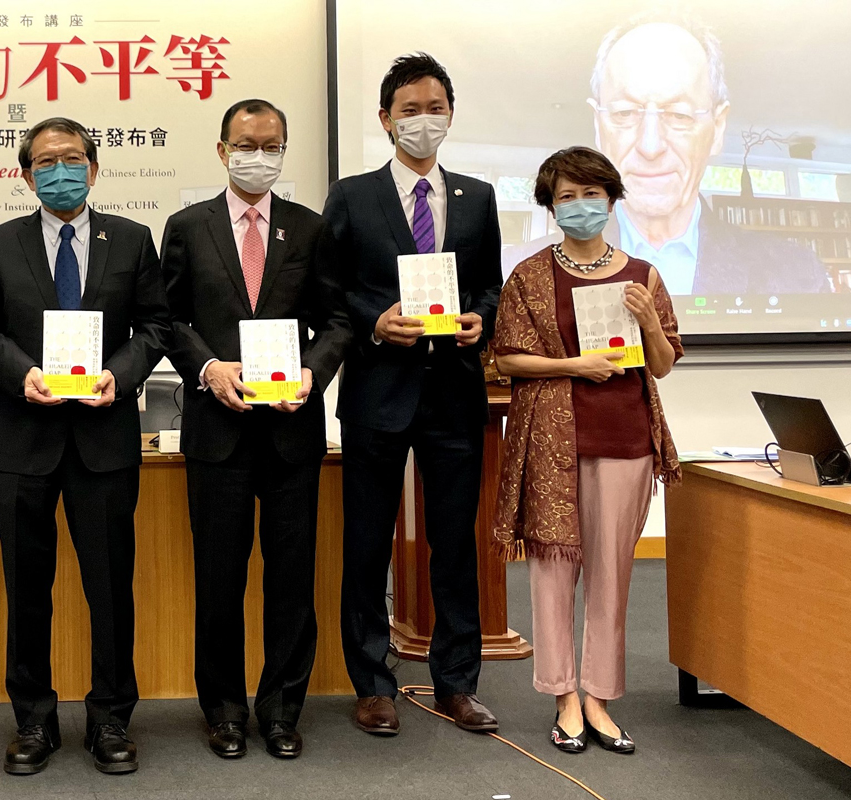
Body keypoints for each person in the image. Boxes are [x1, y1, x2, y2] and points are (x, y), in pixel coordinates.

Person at [0, 116, 170, 776]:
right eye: (45, 161)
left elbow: (156, 325)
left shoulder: (131, 240)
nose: (60, 169)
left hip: (104, 438)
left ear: (95, 168)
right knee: (26, 588)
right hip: (22, 440)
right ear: (26, 175)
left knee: (109, 586)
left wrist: (121, 374)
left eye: (73, 158)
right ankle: (33, 720)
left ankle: (110, 718)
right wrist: (22, 374)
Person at [319, 53, 503, 737]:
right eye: (410, 110)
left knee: (455, 544)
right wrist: (375, 321)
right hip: (376, 391)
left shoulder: (476, 197)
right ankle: (372, 683)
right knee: (366, 542)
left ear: (450, 114)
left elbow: (490, 283)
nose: (423, 121)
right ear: (384, 119)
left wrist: (483, 317)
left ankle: (457, 682)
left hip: (454, 392)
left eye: (435, 108)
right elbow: (328, 292)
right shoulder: (351, 195)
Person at [160, 99, 350, 760]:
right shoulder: (186, 226)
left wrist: (314, 372)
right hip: (217, 429)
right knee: (219, 577)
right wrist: (207, 368)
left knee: (292, 579)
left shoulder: (310, 227)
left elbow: (338, 321)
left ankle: (281, 709)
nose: (258, 156)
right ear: (221, 150)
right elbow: (169, 320)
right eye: (246, 145)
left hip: (292, 429)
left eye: (271, 145)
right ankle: (223, 710)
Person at [492, 146, 682, 756]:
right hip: (551, 442)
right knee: (552, 571)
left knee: (612, 574)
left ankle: (599, 696)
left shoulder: (644, 274)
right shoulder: (527, 275)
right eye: (566, 197)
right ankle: (563, 695)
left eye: (591, 195)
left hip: (626, 442)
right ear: (551, 206)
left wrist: (649, 321)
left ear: (611, 199)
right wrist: (575, 366)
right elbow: (506, 358)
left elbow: (663, 363)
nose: (580, 206)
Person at [507, 14, 831, 295]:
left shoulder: (796, 273)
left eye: (679, 115)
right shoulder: (519, 271)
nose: (651, 147)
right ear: (599, 124)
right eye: (624, 113)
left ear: (717, 128)